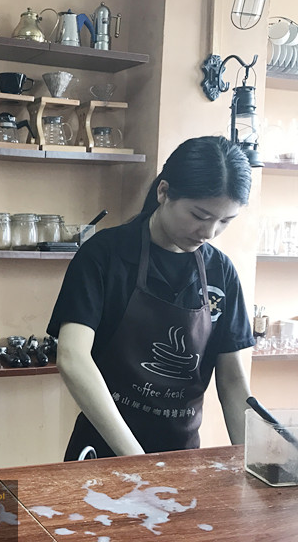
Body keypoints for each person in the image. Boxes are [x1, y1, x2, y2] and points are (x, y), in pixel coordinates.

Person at [48, 136, 255, 459]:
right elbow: (73, 357)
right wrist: (137, 459)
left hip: (181, 458)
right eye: (199, 216)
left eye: (225, 221)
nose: (209, 232)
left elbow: (232, 381)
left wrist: (255, 462)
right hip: (102, 454)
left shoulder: (221, 272)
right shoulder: (105, 255)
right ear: (164, 192)